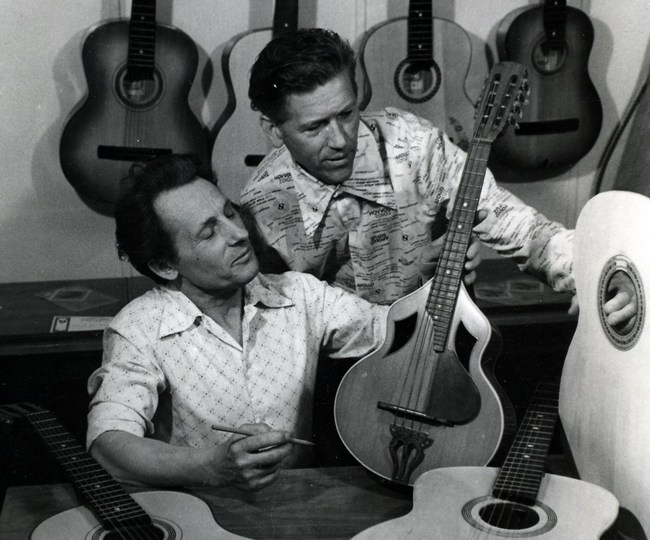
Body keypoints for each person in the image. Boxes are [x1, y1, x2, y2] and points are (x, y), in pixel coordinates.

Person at [240, 28, 636, 327]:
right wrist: (411, 283)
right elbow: (275, 326)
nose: (341, 140)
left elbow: (523, 229)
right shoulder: (260, 207)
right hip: (330, 377)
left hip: (436, 353)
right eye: (315, 127)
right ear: (273, 130)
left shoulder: (414, 145)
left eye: (346, 114)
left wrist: (602, 275)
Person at [86, 154, 389, 491]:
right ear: (165, 266)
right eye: (208, 233)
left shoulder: (301, 295)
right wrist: (211, 467)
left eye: (229, 213)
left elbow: (399, 330)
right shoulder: (138, 328)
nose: (239, 233)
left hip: (296, 503)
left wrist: (441, 285)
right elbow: (107, 444)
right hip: (196, 509)